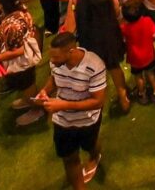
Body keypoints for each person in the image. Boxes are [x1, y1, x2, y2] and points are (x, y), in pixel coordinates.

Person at [39, 31, 107, 190]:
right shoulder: (56, 63)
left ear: (70, 52)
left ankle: (94, 156)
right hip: (62, 120)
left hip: (87, 121)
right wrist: (45, 90)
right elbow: (54, 79)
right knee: (69, 158)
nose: (52, 61)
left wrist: (63, 105)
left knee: (90, 146)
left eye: (56, 57)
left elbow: (97, 102)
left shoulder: (94, 65)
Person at [66, 0, 130, 113]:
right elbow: (116, 11)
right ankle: (123, 97)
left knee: (93, 71)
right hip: (110, 37)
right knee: (114, 66)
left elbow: (70, 27)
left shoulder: (76, 0)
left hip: (89, 41)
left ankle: (95, 100)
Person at [0, 0, 44, 126]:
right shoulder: (20, 10)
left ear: (0, 4)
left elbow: (18, 51)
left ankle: (37, 109)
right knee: (26, 85)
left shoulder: (13, 26)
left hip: (20, 63)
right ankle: (28, 100)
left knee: (27, 85)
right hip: (19, 60)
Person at [122, 1, 155, 107]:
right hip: (149, 55)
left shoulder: (124, 28)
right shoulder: (147, 21)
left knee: (138, 77)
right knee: (151, 74)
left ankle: (142, 94)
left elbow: (123, 39)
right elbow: (154, 35)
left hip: (135, 59)